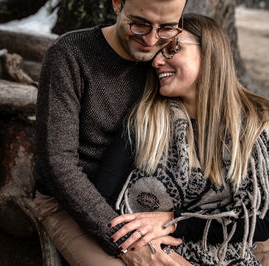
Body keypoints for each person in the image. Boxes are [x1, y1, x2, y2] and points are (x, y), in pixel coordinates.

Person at [95, 13, 269, 265]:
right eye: (157, 52)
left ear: (210, 53)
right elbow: (102, 201)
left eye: (171, 49)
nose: (156, 61)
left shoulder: (257, 125)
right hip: (152, 256)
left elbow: (262, 222)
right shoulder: (145, 121)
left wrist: (174, 221)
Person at [34, 0, 189, 265]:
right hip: (69, 203)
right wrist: (124, 243)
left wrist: (172, 218)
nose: (151, 41)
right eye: (140, 24)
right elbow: (59, 164)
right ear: (118, 4)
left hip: (142, 200)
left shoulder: (168, 59)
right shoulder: (71, 54)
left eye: (166, 28)